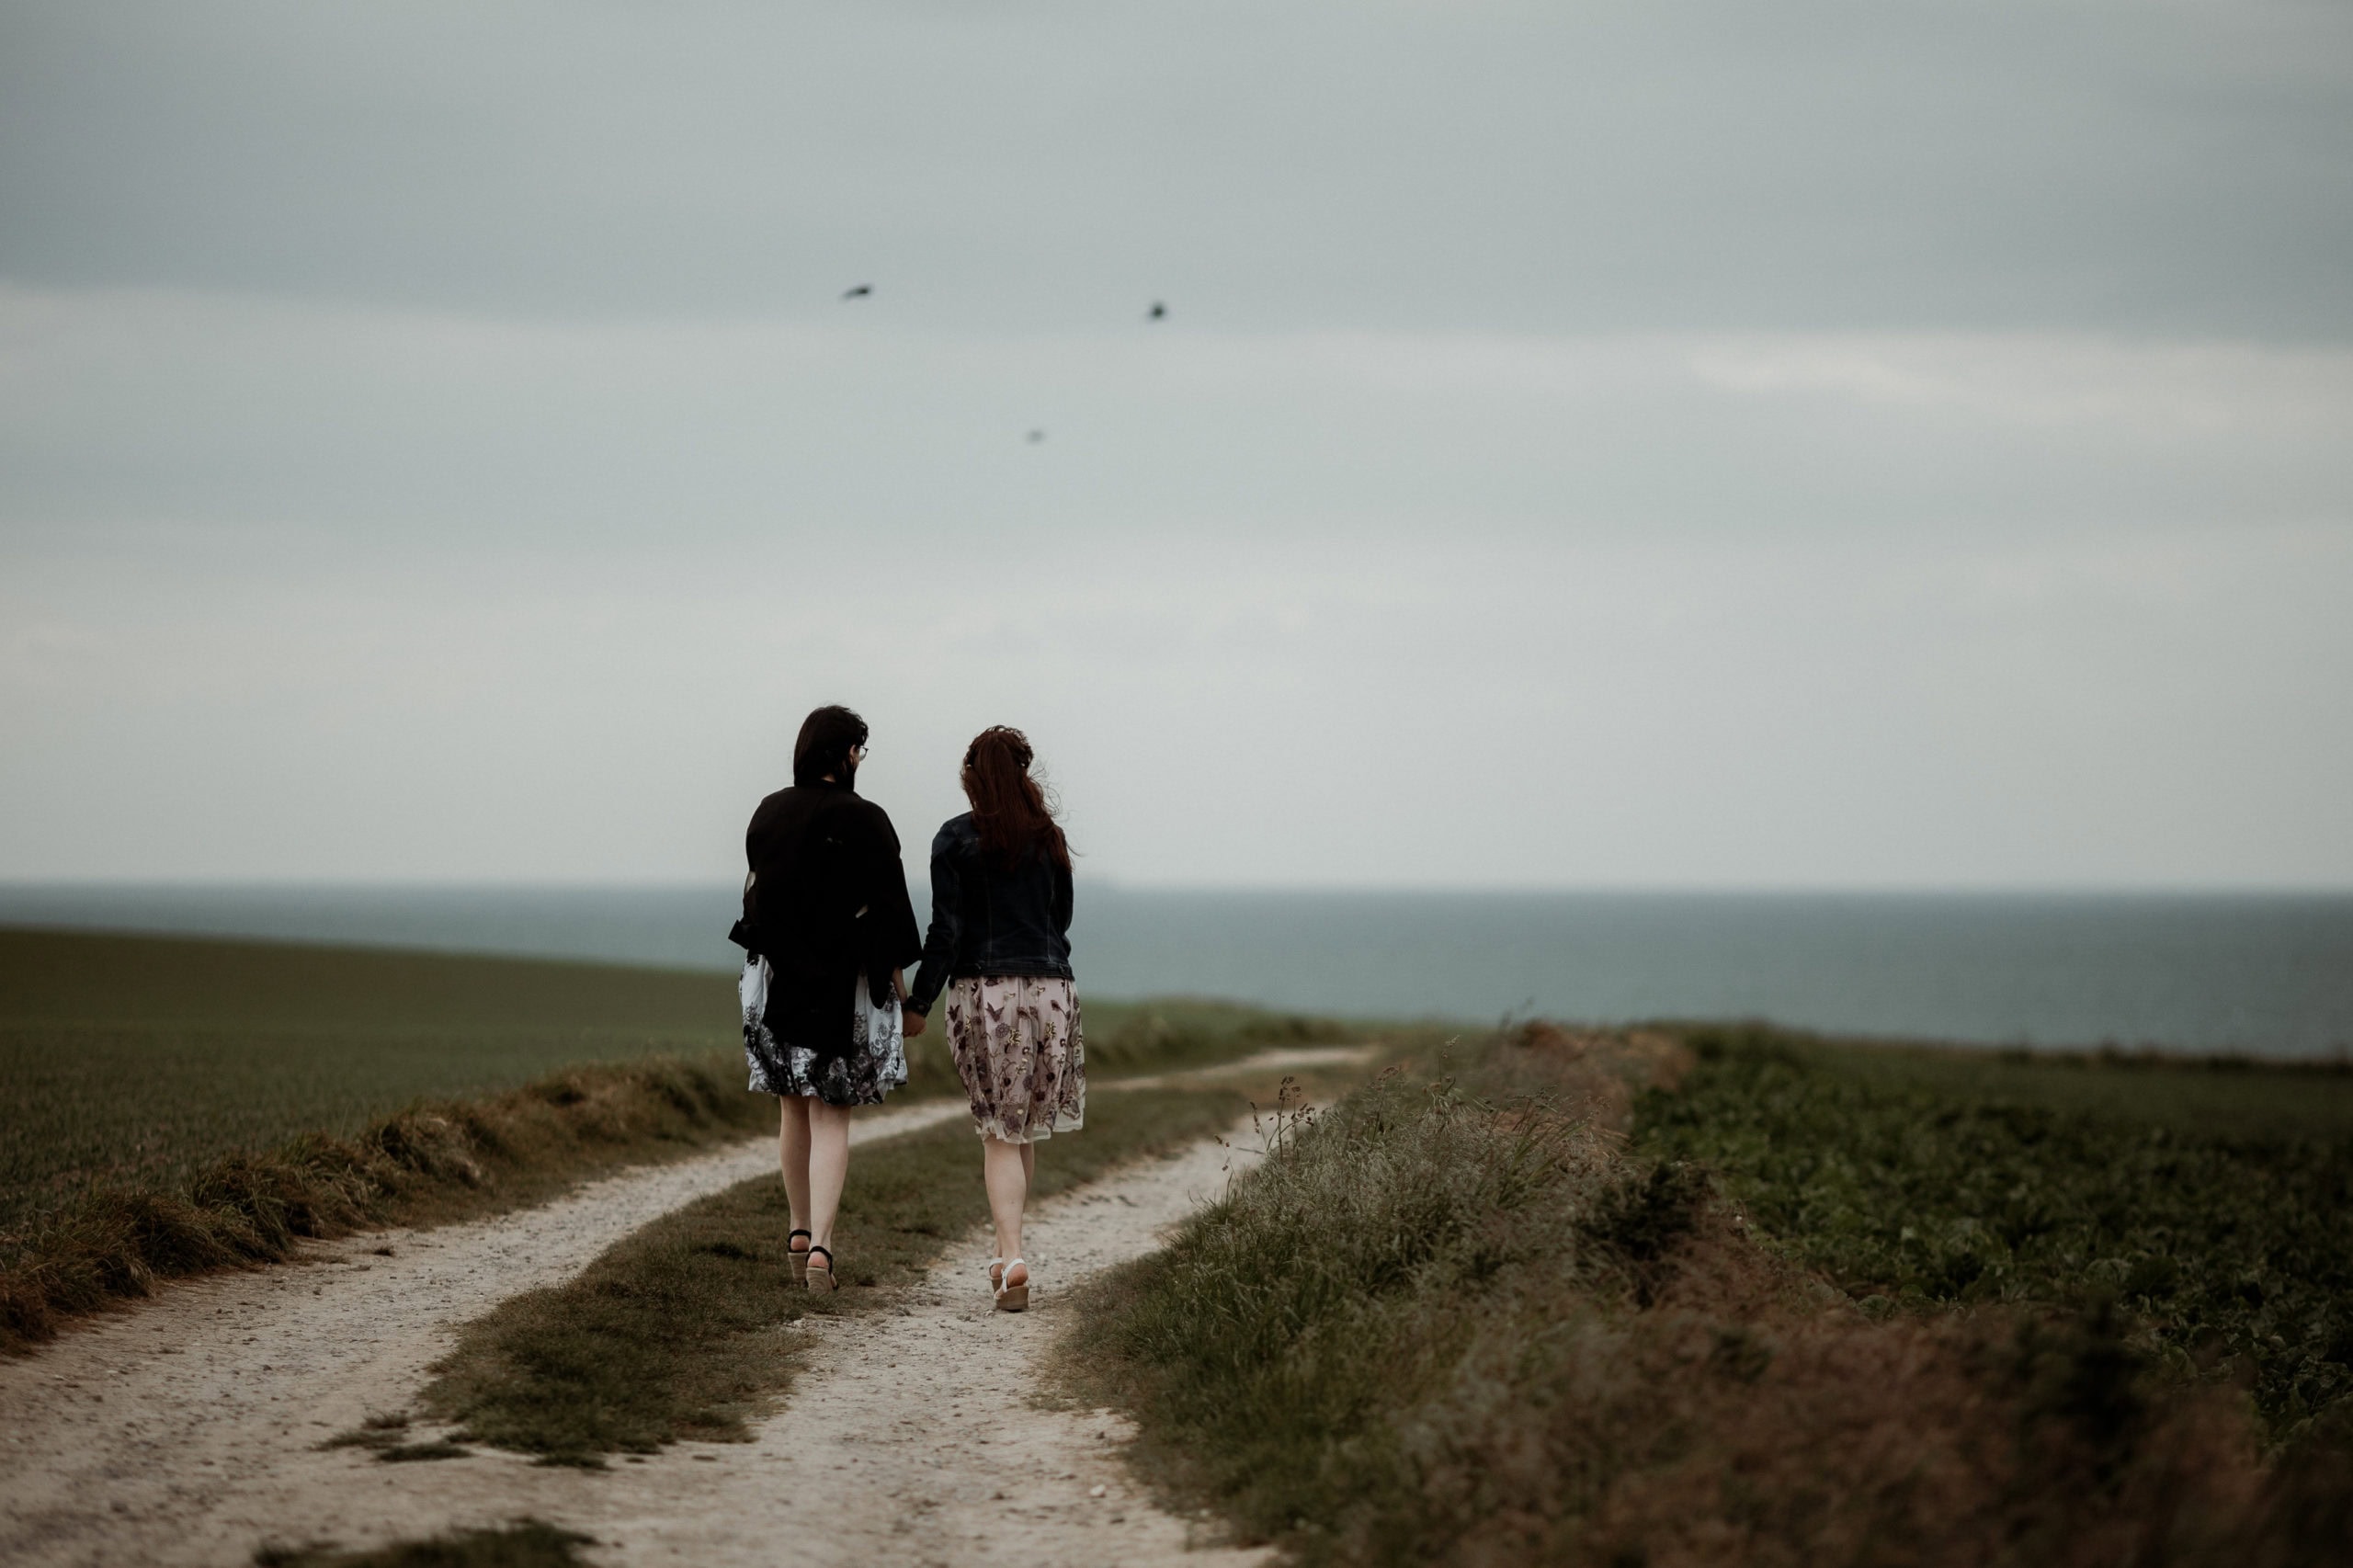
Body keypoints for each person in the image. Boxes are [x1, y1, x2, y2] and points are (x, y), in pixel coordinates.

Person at [729, 704, 922, 1293]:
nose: (860, 759)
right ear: (845, 754)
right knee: (831, 1115)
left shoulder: (768, 813)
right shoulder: (867, 819)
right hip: (842, 989)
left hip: (776, 986)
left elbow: (756, 904)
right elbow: (889, 914)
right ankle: (821, 1251)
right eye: (859, 749)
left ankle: (796, 1231)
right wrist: (904, 994)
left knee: (791, 1107)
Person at [901, 725, 1085, 1312]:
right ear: (1024, 776)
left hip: (988, 994)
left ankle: (1011, 1259)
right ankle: (1011, 1252)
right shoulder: (1050, 838)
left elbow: (946, 933)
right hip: (1054, 991)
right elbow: (1062, 920)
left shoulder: (954, 840)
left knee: (998, 1132)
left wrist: (919, 1003)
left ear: (972, 779)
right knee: (1022, 1126)